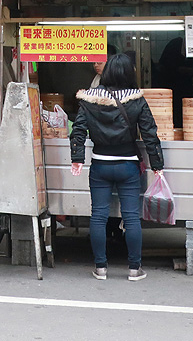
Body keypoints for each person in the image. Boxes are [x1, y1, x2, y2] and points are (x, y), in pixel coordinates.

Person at [70, 53, 164, 282]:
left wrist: (78, 158)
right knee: (131, 218)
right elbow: (150, 133)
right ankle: (134, 269)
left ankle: (100, 268)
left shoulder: (89, 98)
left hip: (100, 165)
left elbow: (78, 130)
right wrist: (157, 164)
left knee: (99, 216)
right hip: (128, 165)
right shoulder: (136, 99)